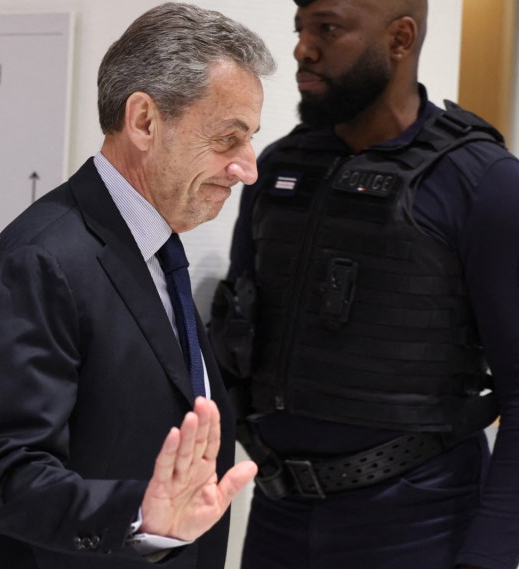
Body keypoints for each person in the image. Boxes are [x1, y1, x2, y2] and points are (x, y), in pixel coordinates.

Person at [0, 4, 275, 568]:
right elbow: (3, 478)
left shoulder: (159, 248)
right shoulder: (41, 261)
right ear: (144, 121)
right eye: (228, 139)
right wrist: (141, 519)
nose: (248, 168)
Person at [209, 1, 519, 568]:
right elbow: (234, 342)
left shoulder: (483, 184)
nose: (303, 48)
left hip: (420, 529)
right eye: (301, 28)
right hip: (278, 521)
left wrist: (488, 556)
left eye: (327, 28)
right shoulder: (277, 168)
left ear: (400, 38)